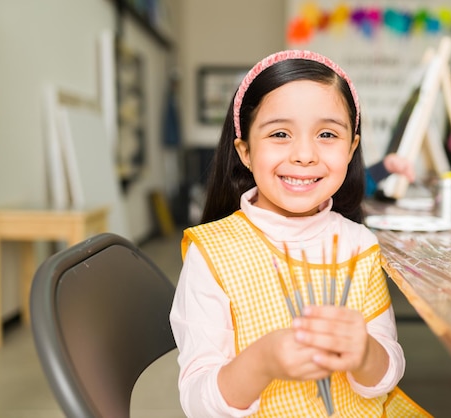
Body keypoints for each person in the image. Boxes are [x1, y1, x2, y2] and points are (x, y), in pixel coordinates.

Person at [169, 49, 431, 417]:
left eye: (327, 134)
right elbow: (198, 403)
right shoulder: (212, 254)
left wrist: (366, 353)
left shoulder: (359, 245)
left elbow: (384, 375)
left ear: (352, 147)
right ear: (244, 151)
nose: (305, 154)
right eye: (280, 133)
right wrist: (262, 361)